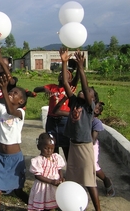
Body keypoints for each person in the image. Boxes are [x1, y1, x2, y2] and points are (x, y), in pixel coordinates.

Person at [0, 65, 33, 210]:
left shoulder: (20, 112)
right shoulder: (1, 109)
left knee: (18, 190)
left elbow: (10, 109)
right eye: (10, 92)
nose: (11, 93)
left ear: (21, 101)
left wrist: (4, 89)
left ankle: (36, 206)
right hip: (1, 157)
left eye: (14, 93)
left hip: (15, 159)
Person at [60, 48, 101, 211]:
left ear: (92, 99)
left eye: (89, 92)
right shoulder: (75, 101)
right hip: (73, 145)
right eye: (86, 91)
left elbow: (84, 86)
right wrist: (64, 62)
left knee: (90, 182)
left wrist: (81, 68)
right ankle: (74, 205)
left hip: (84, 147)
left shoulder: (89, 107)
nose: (86, 91)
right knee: (73, 180)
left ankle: (98, 209)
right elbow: (65, 83)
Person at [33, 66, 79, 161]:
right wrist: (45, 89)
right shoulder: (52, 87)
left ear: (70, 79)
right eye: (61, 74)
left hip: (64, 120)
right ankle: (54, 170)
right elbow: (35, 89)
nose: (63, 76)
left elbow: (77, 79)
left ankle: (69, 170)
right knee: (52, 145)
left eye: (67, 75)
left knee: (66, 146)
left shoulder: (69, 88)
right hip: (51, 120)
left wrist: (79, 67)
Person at [27, 133, 65, 211]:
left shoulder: (56, 157)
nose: (49, 151)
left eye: (52, 148)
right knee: (42, 204)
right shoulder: (38, 160)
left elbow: (59, 169)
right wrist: (51, 181)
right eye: (46, 148)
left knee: (51, 205)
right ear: (39, 147)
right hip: (43, 186)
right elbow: (37, 176)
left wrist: (61, 177)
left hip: (54, 185)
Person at [92, 101, 115, 197]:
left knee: (93, 165)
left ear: (97, 111)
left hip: (91, 146)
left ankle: (106, 180)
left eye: (94, 107)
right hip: (83, 144)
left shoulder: (96, 122)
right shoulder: (85, 118)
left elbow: (93, 139)